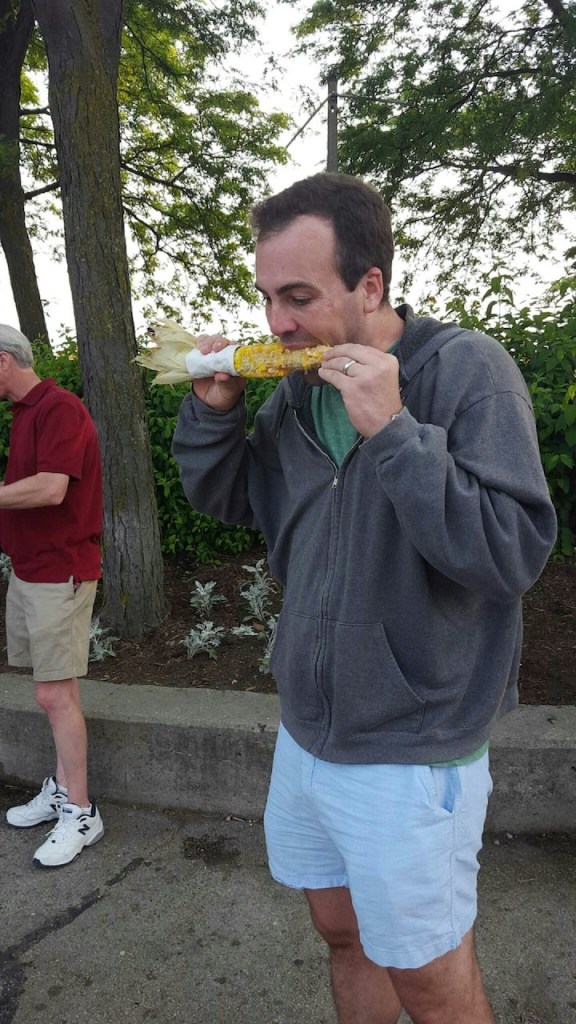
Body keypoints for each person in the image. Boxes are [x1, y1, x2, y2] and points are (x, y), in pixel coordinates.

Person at [172, 173, 557, 1024]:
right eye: (268, 297)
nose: (276, 322)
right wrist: (215, 414)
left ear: (371, 285)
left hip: (414, 747)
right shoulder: (297, 393)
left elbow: (511, 553)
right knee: (341, 933)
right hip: (310, 728)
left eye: (299, 296)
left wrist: (396, 432)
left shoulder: (467, 372)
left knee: (430, 978)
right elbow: (237, 501)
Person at [0, 324, 105, 868]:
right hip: (31, 570)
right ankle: (63, 790)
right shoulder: (26, 413)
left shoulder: (59, 408)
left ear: (3, 361)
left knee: (53, 695)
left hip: (59, 572)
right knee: (55, 690)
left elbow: (51, 487)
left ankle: (81, 812)